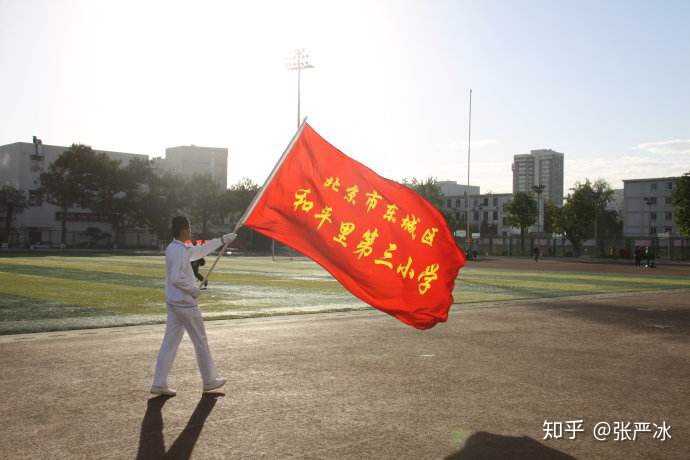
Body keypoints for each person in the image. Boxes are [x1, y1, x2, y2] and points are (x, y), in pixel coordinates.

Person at [150, 216, 236, 396]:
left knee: (170, 343)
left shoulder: (175, 248)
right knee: (200, 340)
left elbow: (198, 252)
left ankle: (159, 382)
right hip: (185, 303)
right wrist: (193, 290)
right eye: (189, 228)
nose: (191, 231)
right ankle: (210, 380)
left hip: (174, 302)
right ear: (183, 230)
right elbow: (176, 278)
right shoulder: (179, 250)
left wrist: (221, 240)